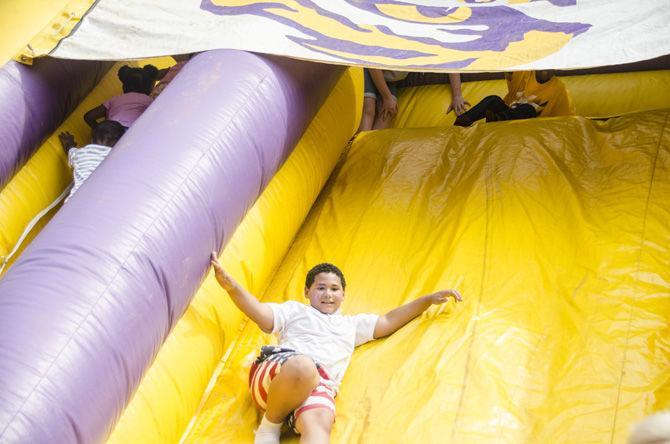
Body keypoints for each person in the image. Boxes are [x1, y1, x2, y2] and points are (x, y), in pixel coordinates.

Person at [209, 254, 462, 444]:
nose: (328, 294)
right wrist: (232, 287)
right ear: (307, 291)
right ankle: (270, 426)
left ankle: (290, 419)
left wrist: (427, 300)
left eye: (334, 289)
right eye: (320, 288)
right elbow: (262, 315)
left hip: (318, 387)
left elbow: (388, 321)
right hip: (279, 375)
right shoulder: (296, 311)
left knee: (320, 424)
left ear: (343, 295)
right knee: (304, 366)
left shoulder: (350, 326)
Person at [453, 70, 575, 127]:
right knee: (493, 100)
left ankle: (497, 120)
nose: (545, 71)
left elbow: (569, 120)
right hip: (508, 114)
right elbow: (508, 63)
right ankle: (463, 120)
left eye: (550, 68)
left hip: (530, 125)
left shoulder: (559, 88)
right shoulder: (525, 72)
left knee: (528, 108)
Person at [358, 69, 468, 132]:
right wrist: (386, 97)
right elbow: (374, 66)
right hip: (371, 69)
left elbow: (450, 63)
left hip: (390, 79)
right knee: (369, 110)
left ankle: (367, 152)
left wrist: (457, 96)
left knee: (389, 112)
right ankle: (357, 152)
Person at [58, 120, 125, 202]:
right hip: (101, 201)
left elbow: (70, 150)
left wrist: (69, 142)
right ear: (119, 142)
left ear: (92, 140)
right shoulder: (118, 157)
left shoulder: (81, 153)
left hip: (74, 201)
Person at [84, 64, 158, 129]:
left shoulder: (114, 99)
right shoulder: (148, 100)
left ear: (124, 87)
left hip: (111, 130)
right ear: (149, 88)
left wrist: (98, 129)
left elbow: (89, 117)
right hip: (132, 132)